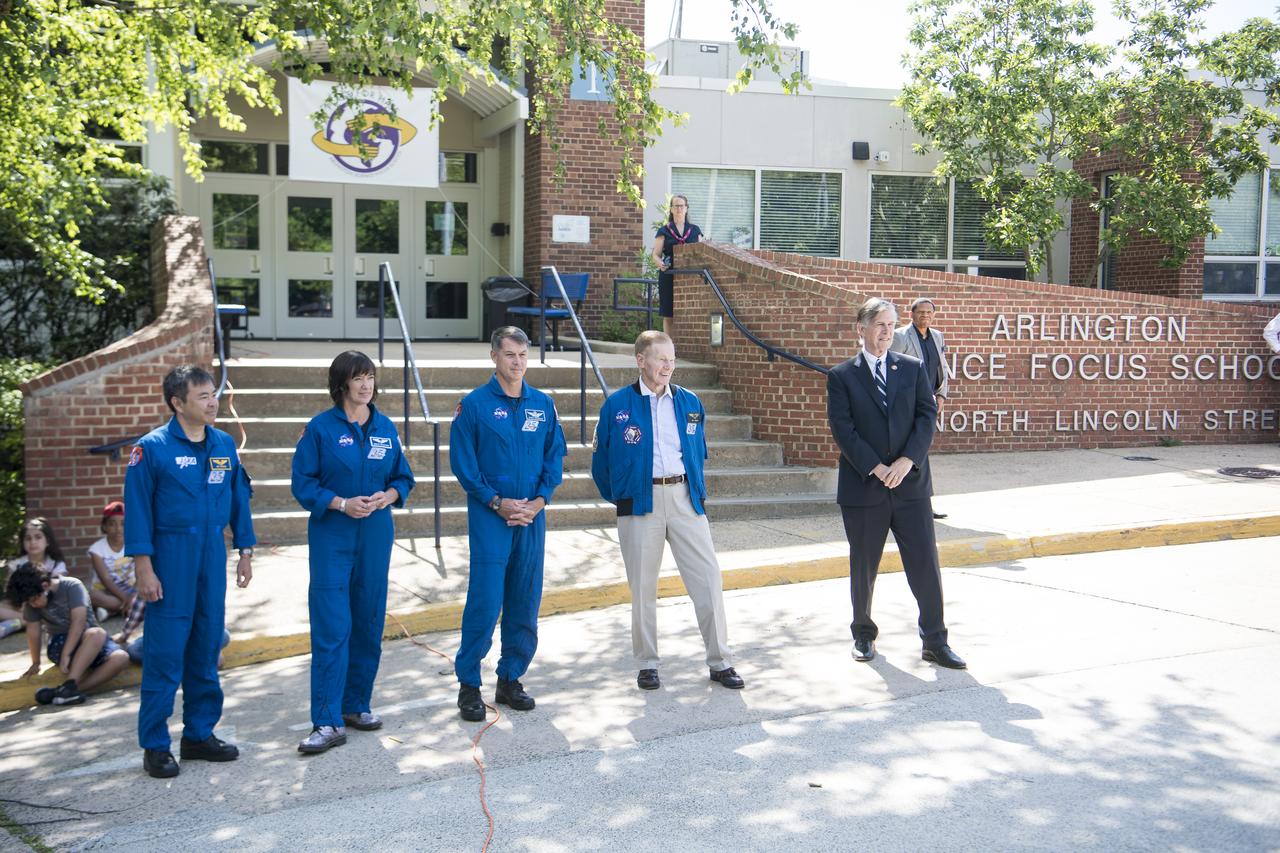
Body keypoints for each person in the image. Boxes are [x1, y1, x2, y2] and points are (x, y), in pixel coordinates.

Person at [591, 331, 743, 692]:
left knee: (708, 580)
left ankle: (720, 661)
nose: (667, 365)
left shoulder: (689, 402)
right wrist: (623, 497)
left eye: (672, 359)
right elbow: (601, 463)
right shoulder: (617, 406)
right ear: (641, 360)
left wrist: (697, 494)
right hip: (640, 504)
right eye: (660, 358)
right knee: (643, 588)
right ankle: (647, 664)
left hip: (684, 499)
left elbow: (698, 451)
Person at [124, 364, 256, 779]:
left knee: (206, 646)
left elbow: (239, 498)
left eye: (213, 394)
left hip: (211, 556)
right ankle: (155, 744)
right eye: (202, 396)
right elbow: (138, 511)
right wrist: (144, 568)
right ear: (177, 403)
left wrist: (245, 550)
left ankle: (199, 734)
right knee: (164, 654)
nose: (213, 401)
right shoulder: (152, 449)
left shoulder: (223, 444)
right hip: (170, 556)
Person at [826, 298, 966, 670]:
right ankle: (863, 634)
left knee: (925, 565)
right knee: (864, 565)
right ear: (862, 328)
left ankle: (935, 641)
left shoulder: (912, 367)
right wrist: (876, 467)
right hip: (864, 487)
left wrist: (907, 461)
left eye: (891, 325)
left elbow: (926, 415)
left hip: (910, 485)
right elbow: (843, 429)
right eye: (880, 325)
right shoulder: (841, 376)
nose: (887, 332)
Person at [290, 350, 416, 755]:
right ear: (342, 383)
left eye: (371, 378)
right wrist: (341, 503)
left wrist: (389, 495)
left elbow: (403, 477)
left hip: (375, 534)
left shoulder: (384, 427)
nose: (366, 385)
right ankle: (325, 720)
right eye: (359, 378)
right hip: (333, 536)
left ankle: (356, 705)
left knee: (368, 621)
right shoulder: (320, 429)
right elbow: (302, 484)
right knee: (332, 627)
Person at [450, 326, 565, 722]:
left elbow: (554, 459)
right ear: (494, 357)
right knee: (484, 602)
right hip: (491, 519)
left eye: (522, 355)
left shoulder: (543, 405)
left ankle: (510, 677)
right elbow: (464, 466)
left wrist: (537, 502)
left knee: (524, 599)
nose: (517, 362)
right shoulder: (475, 405)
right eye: (510, 354)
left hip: (531, 518)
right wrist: (496, 502)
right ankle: (469, 685)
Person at [6, 563, 129, 706]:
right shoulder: (32, 600)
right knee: (97, 634)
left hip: (88, 640)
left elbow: (79, 621)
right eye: (28, 602)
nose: (32, 605)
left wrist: (67, 654)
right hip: (59, 642)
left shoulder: (72, 586)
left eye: (33, 600)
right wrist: (36, 662)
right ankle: (70, 686)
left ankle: (65, 690)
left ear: (45, 586)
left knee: (121, 657)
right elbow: (33, 632)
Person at [890, 297, 950, 520]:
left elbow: (942, 367)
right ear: (912, 314)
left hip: (929, 403)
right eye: (921, 312)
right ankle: (915, 504)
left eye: (929, 312)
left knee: (921, 451)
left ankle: (922, 504)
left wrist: (942, 394)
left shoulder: (937, 336)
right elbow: (891, 369)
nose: (925, 316)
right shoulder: (900, 336)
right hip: (907, 404)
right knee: (914, 450)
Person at [650, 194, 703, 337]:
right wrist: (660, 263)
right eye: (676, 206)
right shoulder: (664, 231)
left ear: (686, 209)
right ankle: (669, 346)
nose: (679, 209)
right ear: (671, 209)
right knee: (669, 313)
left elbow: (701, 253)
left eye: (682, 206)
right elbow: (655, 254)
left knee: (690, 311)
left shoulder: (695, 230)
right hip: (669, 276)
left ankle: (686, 346)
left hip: (689, 276)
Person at [88, 501, 139, 621]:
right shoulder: (97, 549)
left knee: (150, 595)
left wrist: (133, 595)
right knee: (91, 597)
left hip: (130, 590)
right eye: (112, 524)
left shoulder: (134, 546)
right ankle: (130, 608)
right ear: (104, 526)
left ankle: (110, 611)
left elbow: (140, 574)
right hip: (106, 591)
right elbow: (106, 579)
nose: (118, 529)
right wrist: (127, 599)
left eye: (123, 524)